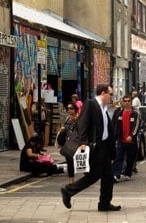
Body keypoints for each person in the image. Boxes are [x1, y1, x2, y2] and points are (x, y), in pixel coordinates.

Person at [60, 83, 121, 212]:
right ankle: (68, 191)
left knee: (108, 176)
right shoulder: (91, 104)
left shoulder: (104, 108)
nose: (111, 97)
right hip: (96, 146)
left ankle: (104, 203)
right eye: (110, 94)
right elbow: (82, 123)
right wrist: (84, 142)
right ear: (103, 93)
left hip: (104, 147)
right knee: (93, 175)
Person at [112, 94, 141, 182]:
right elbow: (114, 124)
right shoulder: (118, 112)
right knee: (118, 158)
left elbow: (137, 125)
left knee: (130, 159)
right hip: (121, 140)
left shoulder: (135, 112)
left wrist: (131, 136)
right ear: (122, 102)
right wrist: (114, 137)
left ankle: (128, 173)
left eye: (129, 101)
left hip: (131, 141)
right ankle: (116, 175)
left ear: (131, 102)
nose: (127, 103)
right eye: (125, 101)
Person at [57, 102, 79, 183]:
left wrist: (77, 122)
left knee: (78, 162)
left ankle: (88, 178)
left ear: (75, 110)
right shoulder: (67, 119)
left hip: (76, 143)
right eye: (68, 109)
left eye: (71, 108)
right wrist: (62, 130)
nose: (69, 110)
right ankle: (71, 181)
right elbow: (66, 129)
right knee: (69, 162)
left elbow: (82, 130)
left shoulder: (79, 118)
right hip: (67, 143)